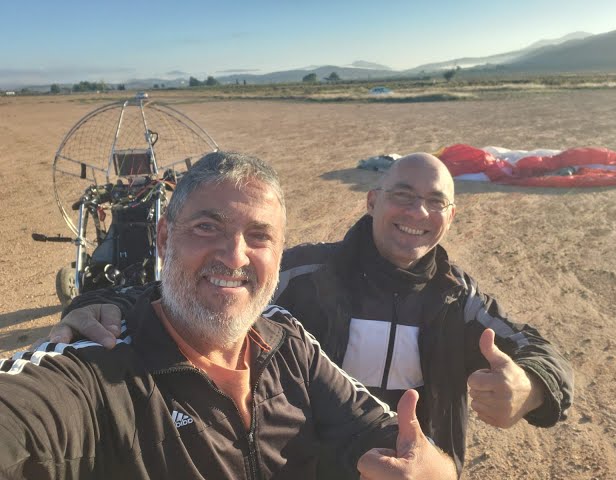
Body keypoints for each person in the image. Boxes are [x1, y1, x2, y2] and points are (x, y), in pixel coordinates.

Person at [48, 152, 574, 477]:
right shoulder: (303, 275)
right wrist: (105, 303)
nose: (418, 214)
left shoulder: (458, 299)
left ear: (451, 217)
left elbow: (537, 348)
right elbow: (200, 291)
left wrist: (533, 386)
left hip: (414, 468)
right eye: (402, 196)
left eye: (436, 203)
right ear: (371, 201)